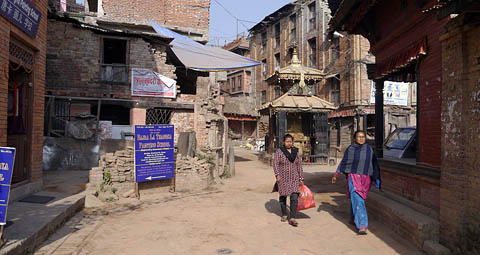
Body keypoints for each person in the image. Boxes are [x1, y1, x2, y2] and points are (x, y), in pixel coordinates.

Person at [331, 130, 381, 235]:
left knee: (358, 199)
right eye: (359, 137)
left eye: (363, 137)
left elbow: (374, 163)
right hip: (353, 177)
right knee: (358, 199)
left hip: (366, 179)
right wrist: (336, 174)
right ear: (354, 138)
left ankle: (352, 217)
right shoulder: (350, 149)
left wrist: (376, 177)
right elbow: (344, 162)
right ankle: (362, 225)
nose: (361, 138)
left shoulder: (369, 149)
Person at [273, 134, 304, 227]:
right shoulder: (279, 151)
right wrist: (277, 175)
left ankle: (292, 217)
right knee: (283, 196)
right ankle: (284, 214)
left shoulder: (296, 152)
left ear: (292, 142)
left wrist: (301, 178)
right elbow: (275, 164)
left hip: (294, 178)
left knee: (294, 197)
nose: (289, 143)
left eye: (290, 141)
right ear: (283, 142)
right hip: (283, 178)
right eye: (287, 141)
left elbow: (299, 165)